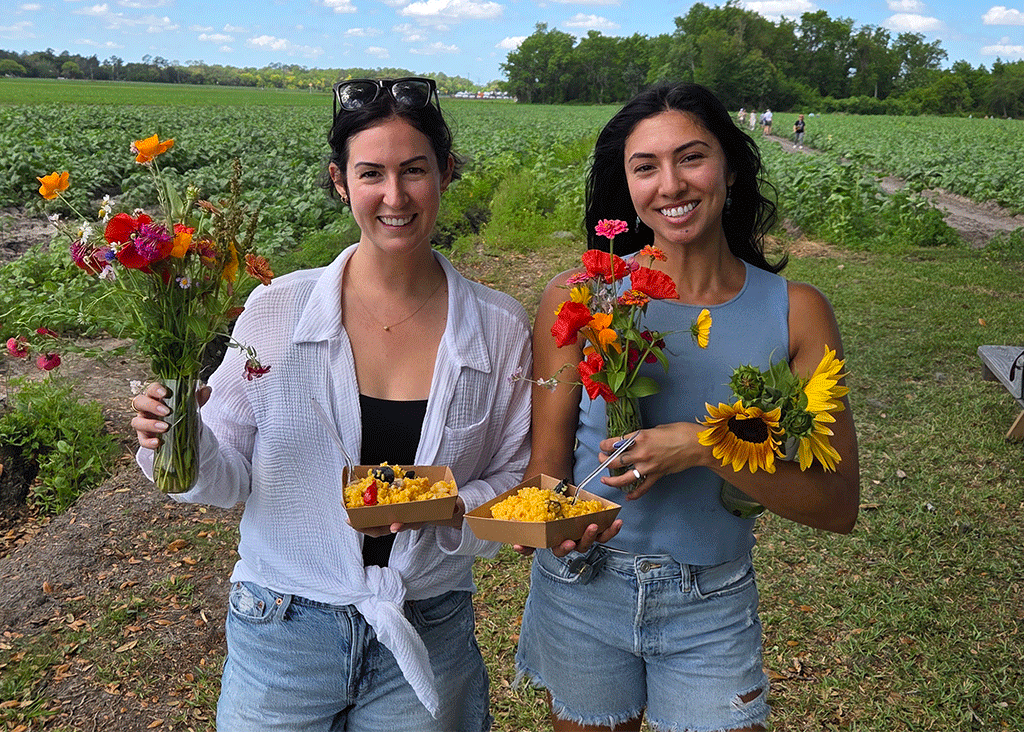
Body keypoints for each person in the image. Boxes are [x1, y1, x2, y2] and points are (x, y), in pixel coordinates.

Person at [130, 76, 532, 731]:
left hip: (425, 626)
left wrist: (446, 504)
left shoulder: (499, 329)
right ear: (341, 182)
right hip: (283, 631)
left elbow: (518, 483)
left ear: (446, 174)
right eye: (371, 173)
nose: (394, 196)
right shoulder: (277, 310)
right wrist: (177, 440)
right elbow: (229, 475)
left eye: (415, 171)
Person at [514, 82, 859, 732]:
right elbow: (547, 471)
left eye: (691, 157)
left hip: (711, 602)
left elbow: (838, 505)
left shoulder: (797, 313)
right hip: (582, 590)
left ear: (729, 166)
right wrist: (543, 526)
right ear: (628, 184)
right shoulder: (582, 296)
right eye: (645, 166)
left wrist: (706, 444)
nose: (670, 184)